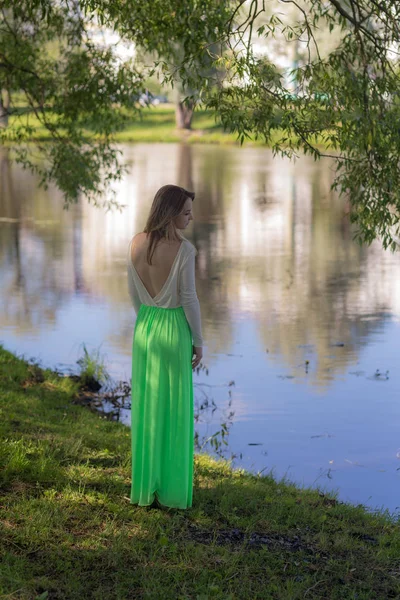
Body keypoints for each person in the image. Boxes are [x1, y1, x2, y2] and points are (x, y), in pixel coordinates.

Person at [126, 184, 204, 510]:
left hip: (145, 327)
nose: (190, 217)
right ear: (170, 213)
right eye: (186, 212)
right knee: (174, 411)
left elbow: (132, 292)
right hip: (173, 329)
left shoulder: (136, 243)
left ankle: (147, 488)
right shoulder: (184, 250)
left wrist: (147, 320)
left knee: (148, 408)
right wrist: (198, 340)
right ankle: (171, 493)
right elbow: (188, 299)